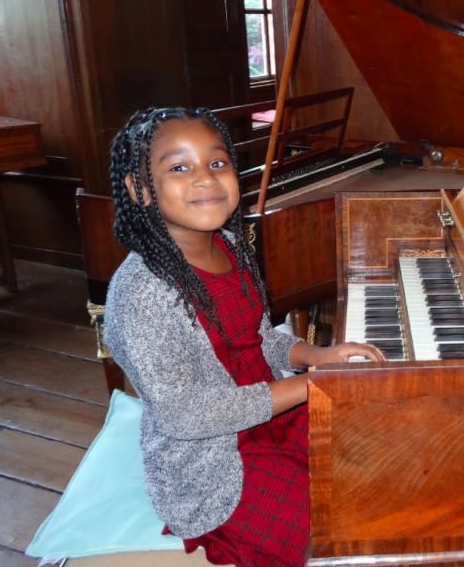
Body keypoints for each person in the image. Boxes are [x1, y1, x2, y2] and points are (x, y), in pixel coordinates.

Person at [103, 107, 384, 567]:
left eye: (217, 163)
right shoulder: (141, 294)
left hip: (274, 415)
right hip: (212, 461)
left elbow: (256, 338)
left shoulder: (231, 247)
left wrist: (318, 354)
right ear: (139, 190)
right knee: (334, 543)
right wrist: (309, 385)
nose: (206, 179)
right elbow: (186, 415)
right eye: (179, 168)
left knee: (377, 469)